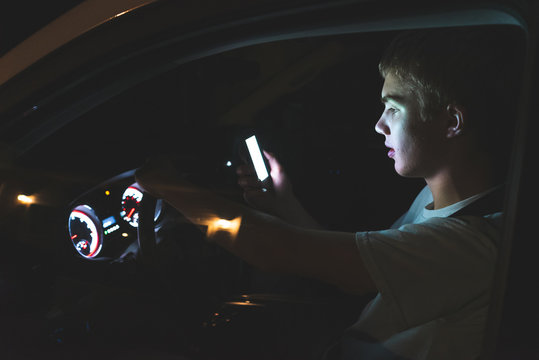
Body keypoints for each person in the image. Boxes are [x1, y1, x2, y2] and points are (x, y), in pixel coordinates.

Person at [136, 27, 521, 359]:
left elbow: (275, 248)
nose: (378, 126)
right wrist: (282, 203)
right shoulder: (438, 202)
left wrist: (170, 188)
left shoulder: (471, 245)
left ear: (452, 122)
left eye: (394, 109)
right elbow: (356, 272)